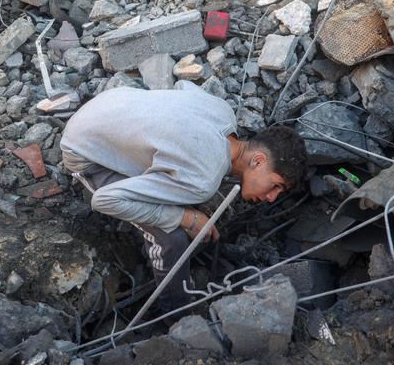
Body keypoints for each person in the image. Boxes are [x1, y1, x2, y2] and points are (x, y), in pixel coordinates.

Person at [60, 81, 307, 314]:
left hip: (107, 103)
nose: (272, 197)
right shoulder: (203, 180)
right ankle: (174, 313)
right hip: (84, 151)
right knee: (172, 238)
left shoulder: (222, 110)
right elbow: (104, 200)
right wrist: (184, 217)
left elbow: (183, 86)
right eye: (276, 185)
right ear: (258, 160)